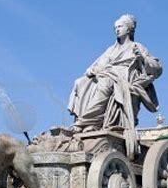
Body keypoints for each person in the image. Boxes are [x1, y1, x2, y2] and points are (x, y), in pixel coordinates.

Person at [68, 14, 162, 159]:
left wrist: (142, 58)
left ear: (129, 29)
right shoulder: (111, 49)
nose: (117, 30)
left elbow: (157, 68)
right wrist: (91, 71)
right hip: (108, 75)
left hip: (124, 80)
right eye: (115, 27)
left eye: (120, 26)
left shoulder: (137, 47)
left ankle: (83, 122)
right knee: (80, 82)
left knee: (105, 82)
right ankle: (92, 123)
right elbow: (98, 64)